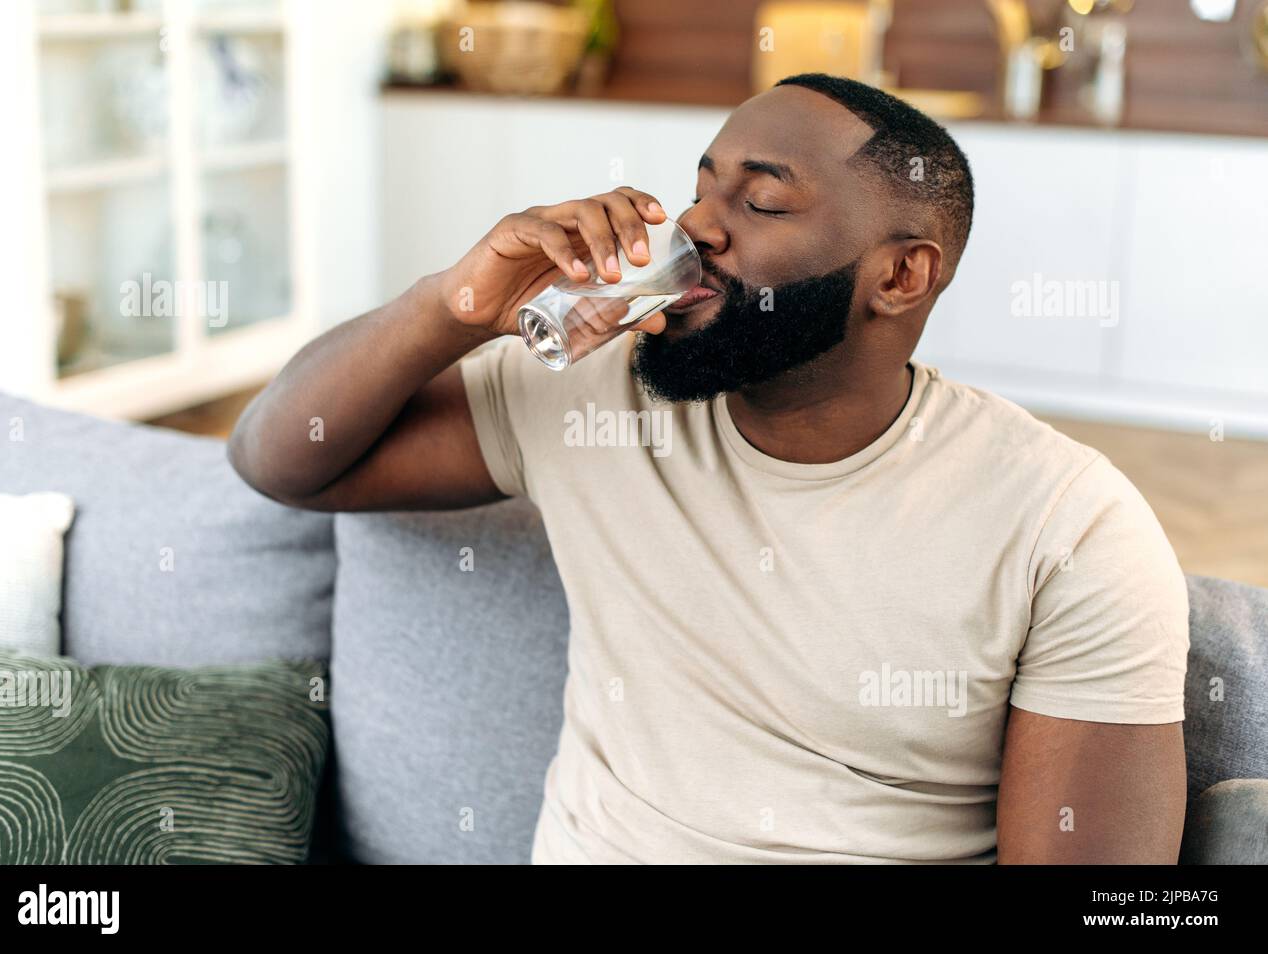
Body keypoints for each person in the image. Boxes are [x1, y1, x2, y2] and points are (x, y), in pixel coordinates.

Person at [228, 73, 1189, 864]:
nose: (697, 225)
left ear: (901, 276)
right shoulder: (592, 394)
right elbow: (281, 458)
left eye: (762, 200)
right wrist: (455, 301)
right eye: (701, 187)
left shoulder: (1069, 525)